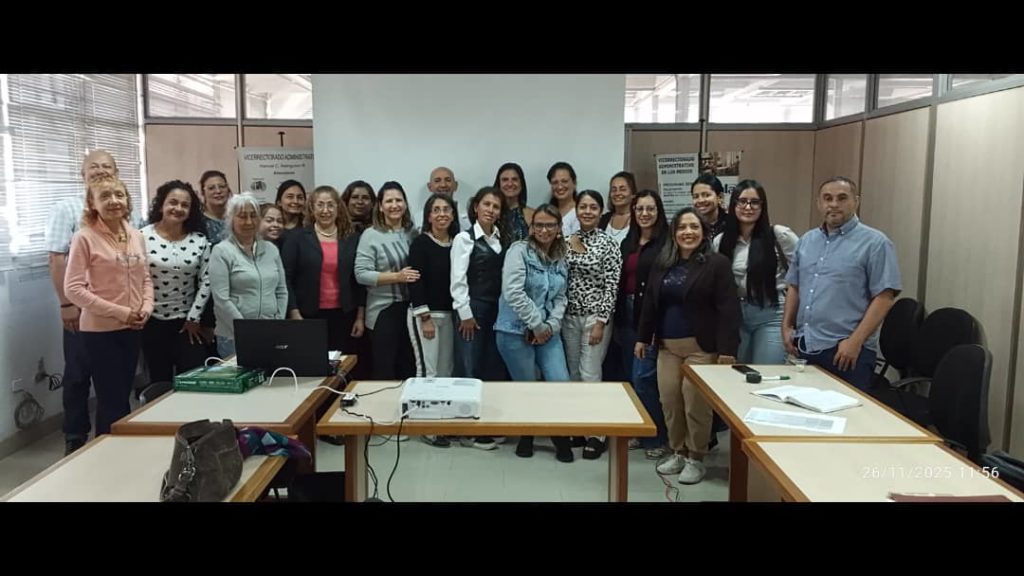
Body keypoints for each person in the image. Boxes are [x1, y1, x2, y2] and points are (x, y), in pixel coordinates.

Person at [636, 207, 740, 485]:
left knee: (695, 404)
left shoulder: (716, 264)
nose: (688, 232)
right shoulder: (663, 263)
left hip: (702, 348)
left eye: (694, 227)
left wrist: (728, 350)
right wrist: (642, 338)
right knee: (670, 401)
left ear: (704, 232)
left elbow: (729, 309)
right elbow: (650, 303)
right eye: (682, 227)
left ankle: (696, 457)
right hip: (667, 348)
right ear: (674, 233)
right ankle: (678, 452)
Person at [783, 177, 902, 391]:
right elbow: (795, 286)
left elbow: (884, 298)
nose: (834, 204)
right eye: (827, 198)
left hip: (846, 350)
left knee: (847, 411)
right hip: (805, 346)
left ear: (856, 201)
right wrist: (786, 326)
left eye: (842, 198)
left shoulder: (875, 243)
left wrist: (855, 341)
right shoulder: (807, 241)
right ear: (819, 203)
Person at [64, 176, 153, 437]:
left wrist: (147, 307)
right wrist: (121, 312)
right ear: (92, 203)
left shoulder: (136, 235)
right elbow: (73, 289)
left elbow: (146, 278)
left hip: (133, 327)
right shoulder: (84, 237)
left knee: (123, 395)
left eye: (119, 195)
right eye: (105, 196)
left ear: (127, 200)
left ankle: (115, 446)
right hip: (100, 332)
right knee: (112, 400)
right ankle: (107, 449)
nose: (114, 201)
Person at [45, 149, 117, 454]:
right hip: (82, 307)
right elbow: (56, 258)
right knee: (77, 374)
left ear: (116, 172)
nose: (100, 171)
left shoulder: (123, 207)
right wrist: (66, 304)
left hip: (116, 309)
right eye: (94, 167)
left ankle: (108, 437)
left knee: (111, 376)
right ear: (83, 174)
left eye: (106, 166)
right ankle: (75, 437)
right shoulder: (67, 208)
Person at [494, 204, 573, 462]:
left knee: (560, 384)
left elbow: (561, 296)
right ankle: (527, 435)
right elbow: (513, 292)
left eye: (550, 225)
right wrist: (536, 324)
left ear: (559, 228)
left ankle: (559, 436)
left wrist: (551, 326)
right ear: (531, 227)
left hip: (548, 331)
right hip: (515, 330)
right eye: (539, 224)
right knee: (527, 388)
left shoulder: (561, 255)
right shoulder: (518, 251)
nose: (544, 230)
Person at [450, 186, 512, 450]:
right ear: (476, 207)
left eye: (496, 206)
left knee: (491, 367)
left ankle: (486, 424)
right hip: (472, 310)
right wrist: (464, 313)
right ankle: (467, 431)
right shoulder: (464, 239)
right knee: (469, 368)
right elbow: (457, 280)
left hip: (497, 311)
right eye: (486, 204)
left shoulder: (501, 239)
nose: (491, 210)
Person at [562, 190, 622, 459]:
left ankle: (597, 433)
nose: (587, 211)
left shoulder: (609, 244)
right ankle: (579, 426)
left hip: (595, 318)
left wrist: (601, 322)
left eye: (593, 207)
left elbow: (612, 286)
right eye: (583, 207)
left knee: (590, 374)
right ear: (576, 211)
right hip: (569, 317)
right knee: (574, 374)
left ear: (600, 212)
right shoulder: (566, 241)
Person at [713, 179, 798, 365]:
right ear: (733, 205)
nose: (748, 207)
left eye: (755, 202)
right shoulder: (721, 241)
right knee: (737, 373)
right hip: (736, 316)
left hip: (771, 314)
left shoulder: (780, 235)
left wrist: (790, 322)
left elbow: (802, 275)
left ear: (762, 206)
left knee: (765, 373)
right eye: (742, 201)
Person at [140, 180, 213, 389]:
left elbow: (206, 281)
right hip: (151, 321)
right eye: (173, 202)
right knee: (159, 382)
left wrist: (194, 317)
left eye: (185, 205)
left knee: (192, 382)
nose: (178, 208)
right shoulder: (141, 236)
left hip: (187, 323)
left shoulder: (199, 240)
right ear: (161, 205)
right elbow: (136, 277)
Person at [615, 190, 670, 459]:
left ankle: (657, 436)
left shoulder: (666, 244)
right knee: (631, 377)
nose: (645, 214)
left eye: (650, 209)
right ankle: (641, 428)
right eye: (639, 209)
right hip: (626, 314)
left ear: (658, 212)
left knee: (644, 378)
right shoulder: (630, 241)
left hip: (650, 317)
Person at [281, 185, 364, 354]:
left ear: (338, 208)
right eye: (320, 205)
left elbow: (359, 281)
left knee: (343, 363)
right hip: (308, 315)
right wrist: (294, 313)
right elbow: (285, 279)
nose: (325, 210)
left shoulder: (352, 238)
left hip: (345, 315)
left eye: (330, 205)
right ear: (312, 208)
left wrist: (360, 317)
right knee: (312, 361)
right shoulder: (297, 238)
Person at [208, 193, 289, 358]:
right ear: (231, 219)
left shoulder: (271, 250)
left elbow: (281, 291)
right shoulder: (221, 251)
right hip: (234, 335)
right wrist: (246, 330)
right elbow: (221, 299)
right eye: (242, 216)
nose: (249, 221)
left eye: (253, 216)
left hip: (270, 332)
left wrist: (278, 322)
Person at [408, 194, 460, 448]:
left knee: (445, 371)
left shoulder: (457, 243)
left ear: (453, 214)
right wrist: (425, 317)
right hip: (425, 316)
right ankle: (426, 426)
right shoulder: (421, 243)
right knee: (427, 371)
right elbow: (415, 281)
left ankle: (441, 421)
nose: (441, 214)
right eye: (436, 210)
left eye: (446, 209)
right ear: (428, 216)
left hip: (448, 315)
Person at [354, 181, 419, 380]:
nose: (394, 205)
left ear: (405, 204)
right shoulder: (371, 235)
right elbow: (361, 274)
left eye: (399, 200)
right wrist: (397, 277)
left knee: (409, 368)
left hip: (410, 310)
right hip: (384, 311)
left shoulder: (412, 232)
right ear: (380, 206)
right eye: (389, 201)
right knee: (385, 370)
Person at [492, 162, 533, 241]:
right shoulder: (490, 213)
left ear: (521, 184)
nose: (510, 184)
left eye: (515, 179)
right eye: (505, 180)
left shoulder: (532, 215)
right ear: (498, 184)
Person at [428, 166, 472, 231]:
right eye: (437, 181)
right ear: (429, 187)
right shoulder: (418, 219)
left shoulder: (470, 216)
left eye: (448, 180)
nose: (443, 185)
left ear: (455, 185)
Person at [199, 170, 233, 243]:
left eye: (222, 187)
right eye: (211, 188)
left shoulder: (237, 218)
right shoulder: (198, 222)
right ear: (203, 192)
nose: (218, 191)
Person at [691, 173, 727, 240]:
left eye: (706, 195)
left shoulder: (731, 224)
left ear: (720, 197)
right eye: (696, 196)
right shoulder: (691, 225)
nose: (700, 200)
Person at [547, 161, 579, 237]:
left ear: (574, 183)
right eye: (555, 182)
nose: (560, 187)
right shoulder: (547, 212)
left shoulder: (581, 213)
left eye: (564, 181)